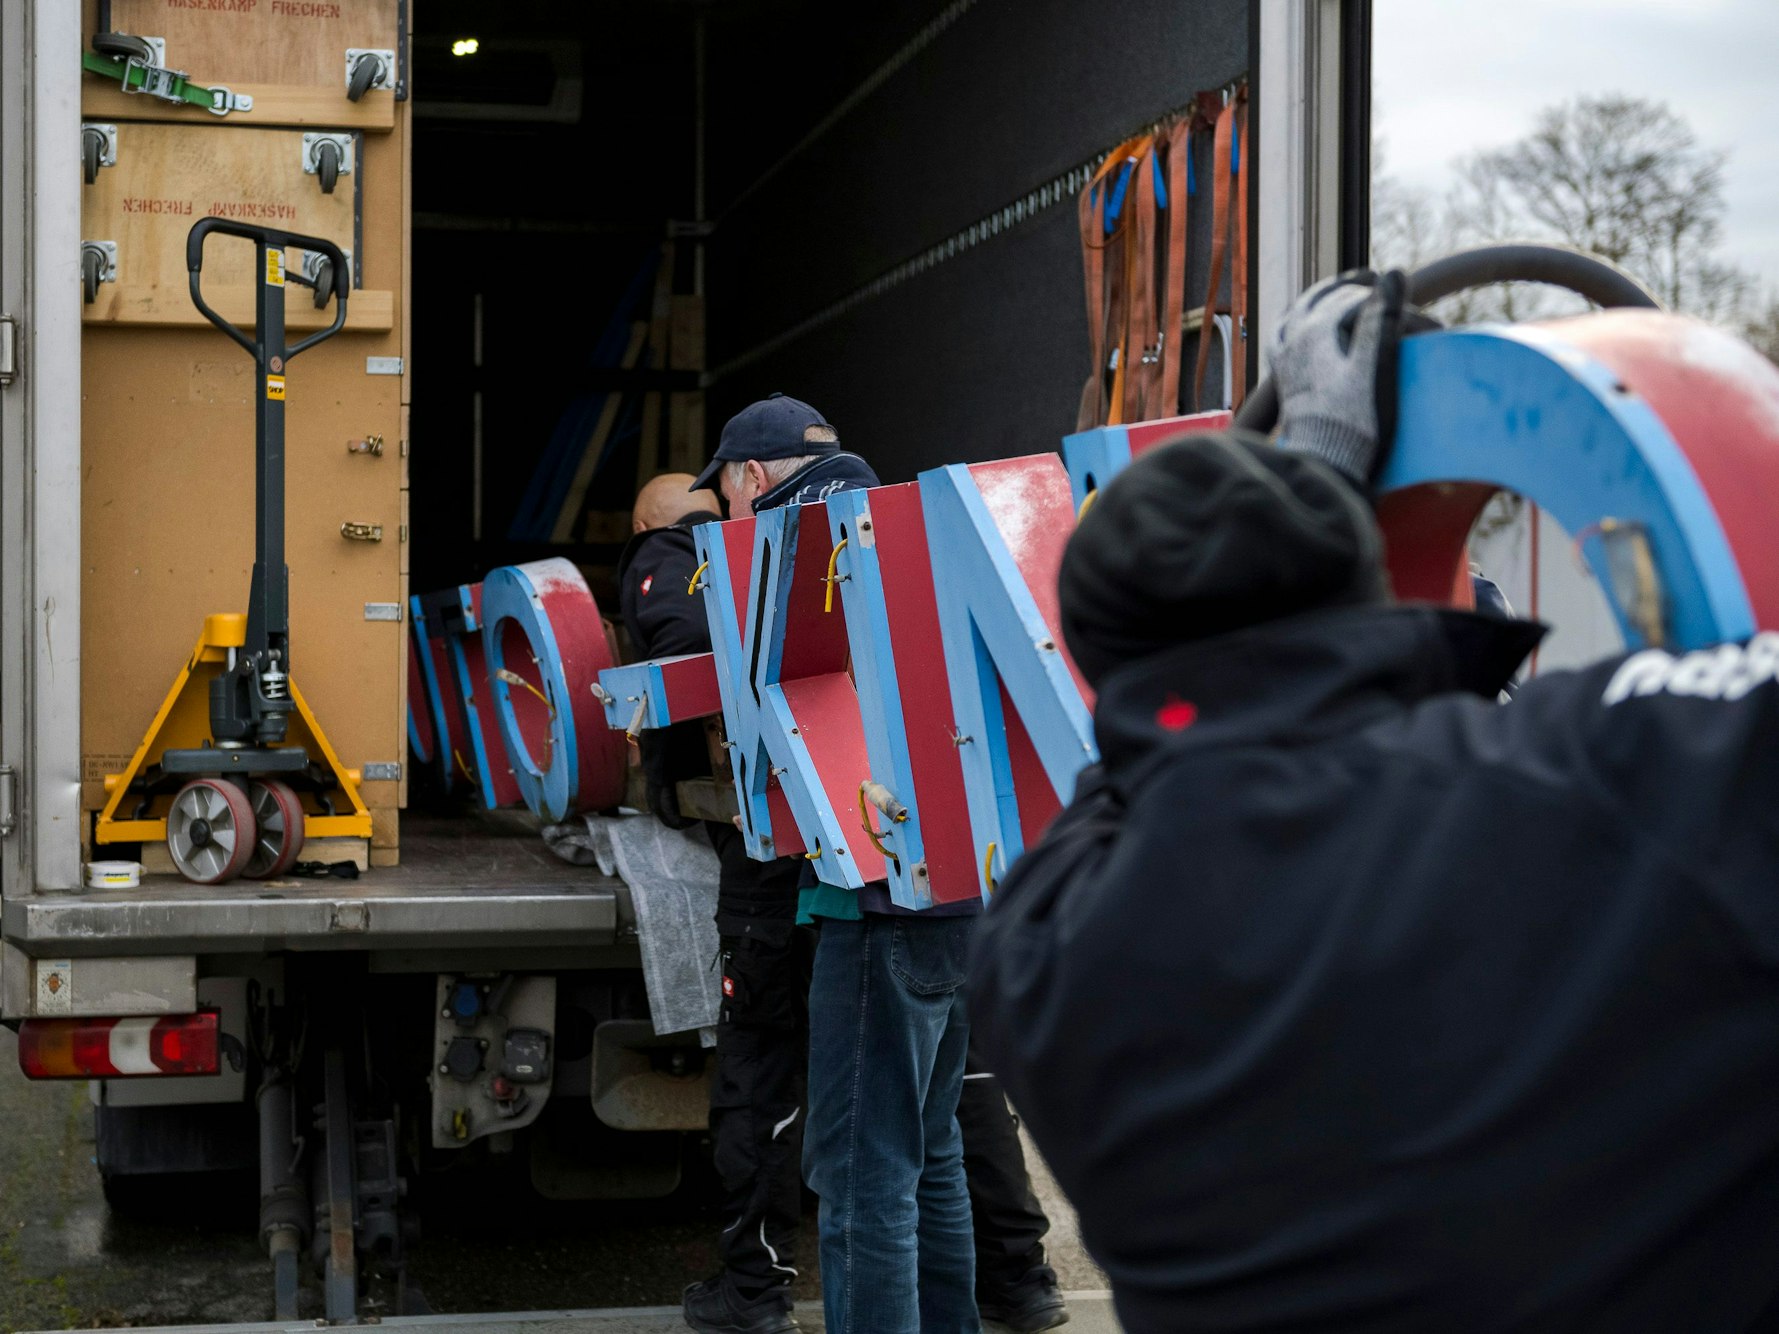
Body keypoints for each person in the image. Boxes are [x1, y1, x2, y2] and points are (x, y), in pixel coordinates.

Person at [968, 270, 1779, 1331]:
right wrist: (1320, 483)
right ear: (1370, 587)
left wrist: (1309, 485)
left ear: (1097, 655)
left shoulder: (1035, 945)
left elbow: (1156, 759)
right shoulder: (1605, 774)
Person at [695, 394, 1065, 1334]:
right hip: (967, 898)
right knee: (929, 1151)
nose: (731, 519)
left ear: (750, 479)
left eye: (728, 498)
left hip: (877, 909)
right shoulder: (921, 536)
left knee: (863, 1178)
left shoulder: (804, 555)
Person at [620, 470, 809, 1334]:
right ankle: (1016, 1273)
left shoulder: (671, 558)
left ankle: (754, 1290)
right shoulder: (826, 547)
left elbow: (681, 651)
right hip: (884, 856)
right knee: (942, 1081)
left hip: (767, 848)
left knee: (758, 1068)